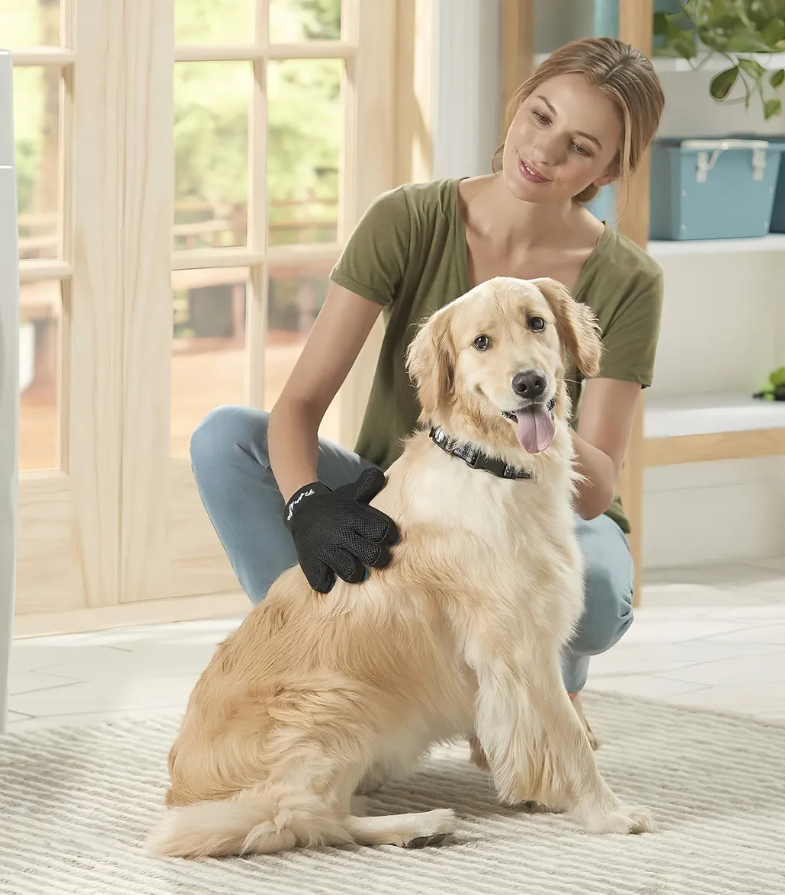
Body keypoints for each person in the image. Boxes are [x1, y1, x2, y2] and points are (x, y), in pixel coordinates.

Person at [189, 36, 666, 747]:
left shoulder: (626, 279)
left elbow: (593, 486)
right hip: (412, 500)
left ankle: (540, 690)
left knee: (593, 595)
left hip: (544, 510)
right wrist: (308, 505)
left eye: (578, 146)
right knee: (225, 438)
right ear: (519, 102)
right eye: (538, 116)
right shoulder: (408, 220)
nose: (542, 151)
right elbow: (297, 407)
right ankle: (327, 668)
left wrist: (530, 401)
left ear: (610, 168)